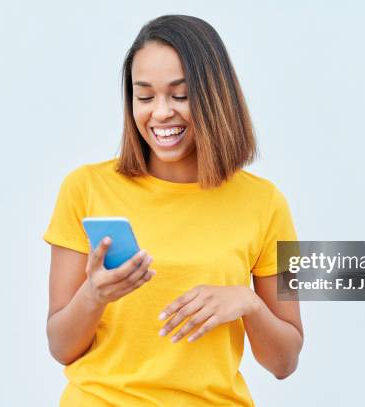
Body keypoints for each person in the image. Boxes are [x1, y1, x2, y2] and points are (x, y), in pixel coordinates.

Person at [43, 14, 303, 406]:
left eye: (180, 95)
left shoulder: (264, 203)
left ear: (216, 96)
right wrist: (94, 295)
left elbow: (285, 362)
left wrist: (247, 303)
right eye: (144, 96)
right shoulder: (85, 188)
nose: (161, 112)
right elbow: (61, 346)